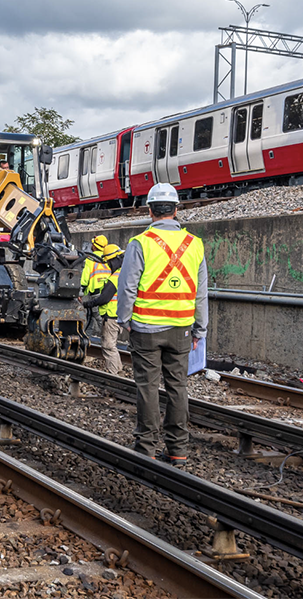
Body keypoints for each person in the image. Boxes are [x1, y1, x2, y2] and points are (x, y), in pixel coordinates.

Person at [116, 183, 207, 467]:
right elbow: (201, 293)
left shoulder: (140, 243)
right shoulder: (195, 244)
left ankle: (146, 447)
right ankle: (178, 449)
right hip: (181, 329)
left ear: (150, 210)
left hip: (145, 329)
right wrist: (199, 329)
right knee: (178, 387)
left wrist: (124, 320)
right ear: (176, 209)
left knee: (148, 387)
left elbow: (127, 287)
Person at [81, 243, 125, 375]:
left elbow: (104, 299)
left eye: (109, 262)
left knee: (108, 346)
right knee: (112, 345)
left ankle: (114, 376)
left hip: (111, 316)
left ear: (115, 259)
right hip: (121, 315)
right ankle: (119, 371)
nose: (108, 266)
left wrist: (87, 304)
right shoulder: (127, 273)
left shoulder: (116, 277)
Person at [80, 234, 110, 336]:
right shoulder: (107, 259)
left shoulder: (90, 260)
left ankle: (107, 339)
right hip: (107, 293)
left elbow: (84, 279)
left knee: (94, 317)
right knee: (96, 316)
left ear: (94, 246)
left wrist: (80, 293)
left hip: (95, 294)